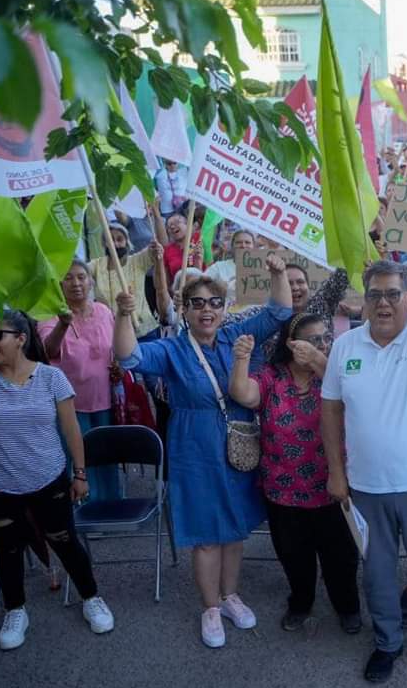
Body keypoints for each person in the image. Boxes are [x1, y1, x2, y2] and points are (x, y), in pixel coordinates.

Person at [114, 256, 292, 648]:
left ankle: (230, 596)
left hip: (238, 442)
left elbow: (280, 311)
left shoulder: (236, 335)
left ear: (224, 307)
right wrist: (123, 317)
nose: (206, 309)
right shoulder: (172, 349)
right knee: (207, 536)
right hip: (194, 447)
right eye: (197, 303)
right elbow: (129, 357)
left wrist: (278, 272)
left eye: (214, 302)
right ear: (185, 308)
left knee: (234, 529)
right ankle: (210, 607)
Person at [321, 232, 407, 683]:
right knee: (378, 575)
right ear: (364, 300)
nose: (383, 303)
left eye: (392, 294)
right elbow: (330, 411)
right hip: (367, 489)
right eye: (375, 294)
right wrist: (336, 474)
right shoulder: (345, 347)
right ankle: (387, 642)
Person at [0, 310, 115, 650]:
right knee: (7, 551)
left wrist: (80, 473)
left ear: (21, 338)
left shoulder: (50, 378)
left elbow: (71, 429)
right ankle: (16, 610)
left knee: (66, 542)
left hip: (49, 479)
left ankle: (91, 598)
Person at [228, 314, 361, 634]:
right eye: (312, 340)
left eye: (325, 339)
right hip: (282, 489)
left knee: (340, 557)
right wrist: (241, 358)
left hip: (332, 484)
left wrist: (318, 359)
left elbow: (355, 395)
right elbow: (243, 394)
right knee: (293, 555)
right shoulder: (272, 377)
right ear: (291, 344)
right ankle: (300, 603)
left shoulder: (334, 373)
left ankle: (348, 608)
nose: (321, 344)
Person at [38, 260, 122, 502]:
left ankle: (111, 506)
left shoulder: (104, 311)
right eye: (68, 278)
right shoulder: (50, 315)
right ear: (59, 285)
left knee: (106, 454)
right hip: (71, 405)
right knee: (77, 458)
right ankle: (83, 509)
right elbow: (47, 350)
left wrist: (117, 365)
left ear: (90, 281)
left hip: (105, 398)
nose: (76, 283)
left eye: (81, 277)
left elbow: (115, 347)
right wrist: (63, 324)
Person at [89, 221, 166, 338]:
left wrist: (156, 248)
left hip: (145, 330)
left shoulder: (137, 261)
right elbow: (80, 272)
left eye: (119, 239)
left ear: (127, 242)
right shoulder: (96, 265)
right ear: (104, 243)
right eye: (110, 240)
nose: (115, 244)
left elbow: (153, 250)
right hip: (113, 332)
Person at [205, 229, 255, 305]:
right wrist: (216, 287)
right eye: (238, 242)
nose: (243, 245)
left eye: (247, 242)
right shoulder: (219, 267)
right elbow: (201, 285)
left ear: (254, 247)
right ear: (232, 246)